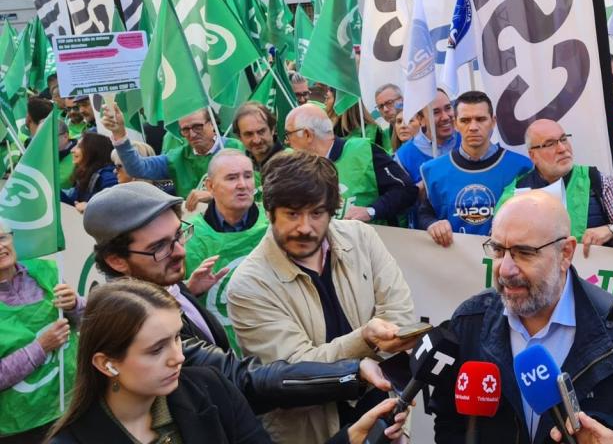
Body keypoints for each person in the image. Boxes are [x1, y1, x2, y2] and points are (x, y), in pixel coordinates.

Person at [82, 181, 391, 417]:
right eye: (160, 246)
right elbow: (238, 379)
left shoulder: (161, 281)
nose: (179, 251)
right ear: (117, 261)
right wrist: (348, 373)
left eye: (179, 235)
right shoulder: (133, 322)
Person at [429, 190, 613, 443]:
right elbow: (449, 423)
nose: (505, 269)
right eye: (498, 251)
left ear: (565, 253)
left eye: (524, 253)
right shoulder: (470, 322)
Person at [47, 280, 410, 444]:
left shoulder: (209, 389)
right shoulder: (73, 439)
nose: (177, 357)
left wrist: (350, 438)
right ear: (107, 363)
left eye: (177, 337)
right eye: (156, 349)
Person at [226, 150, 418, 444]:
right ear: (269, 211)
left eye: (316, 213)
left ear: (332, 211)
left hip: (384, 419)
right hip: (311, 432)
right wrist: (365, 338)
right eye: (292, 214)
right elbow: (295, 371)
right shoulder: (248, 284)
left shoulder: (361, 238)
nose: (305, 227)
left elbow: (401, 318)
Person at [498, 119, 613, 252]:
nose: (562, 148)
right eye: (550, 144)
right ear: (533, 155)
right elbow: (497, 244)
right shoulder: (515, 192)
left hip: (591, 277)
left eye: (564, 139)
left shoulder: (596, 179)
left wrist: (611, 231)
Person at [0, 221, 80, 443]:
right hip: (22, 427)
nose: (0, 247)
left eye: (2, 238)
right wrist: (41, 347)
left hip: (72, 404)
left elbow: (88, 322)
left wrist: (74, 305)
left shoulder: (47, 271)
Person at [420, 91, 533, 245]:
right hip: (456, 260)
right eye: (465, 120)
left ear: (493, 122)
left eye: (480, 119)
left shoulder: (522, 167)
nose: (473, 127)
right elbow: (424, 212)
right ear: (455, 124)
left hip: (507, 262)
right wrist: (432, 224)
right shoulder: (433, 170)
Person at [184, 149, 267, 351]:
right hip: (221, 356)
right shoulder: (187, 237)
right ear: (210, 186)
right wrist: (190, 290)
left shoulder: (276, 221)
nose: (242, 185)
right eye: (232, 178)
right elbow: (167, 297)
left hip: (274, 344)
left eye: (247, 176)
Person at [284, 103, 416, 224]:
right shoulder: (297, 167)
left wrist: (370, 211)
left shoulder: (363, 151)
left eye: (288, 134)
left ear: (307, 134)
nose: (286, 142)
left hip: (371, 244)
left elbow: (406, 190)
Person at [102, 103, 244, 200]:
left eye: (197, 127)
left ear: (212, 124)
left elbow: (252, 188)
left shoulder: (236, 148)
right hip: (197, 229)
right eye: (185, 130)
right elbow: (137, 168)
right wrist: (120, 134)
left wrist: (214, 196)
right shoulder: (175, 158)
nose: (192, 134)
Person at [395, 88, 457, 185]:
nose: (445, 117)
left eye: (448, 108)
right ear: (421, 119)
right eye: (435, 112)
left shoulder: (467, 140)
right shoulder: (404, 157)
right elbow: (403, 197)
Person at [60, 132, 117, 211]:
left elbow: (115, 206)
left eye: (79, 147)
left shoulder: (107, 177)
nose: (72, 150)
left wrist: (90, 207)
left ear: (93, 151)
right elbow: (74, 204)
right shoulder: (85, 174)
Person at [232, 102, 285, 176]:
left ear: (272, 130)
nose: (257, 140)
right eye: (249, 134)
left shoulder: (292, 163)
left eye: (261, 132)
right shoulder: (239, 169)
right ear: (239, 137)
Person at [57, 120, 77, 190]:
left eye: (52, 137)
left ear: (65, 136)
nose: (48, 142)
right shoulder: (46, 155)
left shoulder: (79, 153)